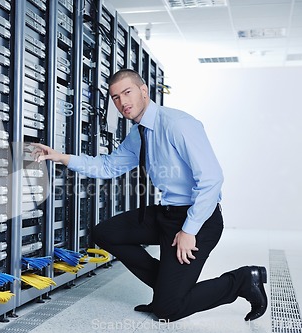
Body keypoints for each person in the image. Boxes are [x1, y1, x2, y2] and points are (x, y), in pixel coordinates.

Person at [31, 68, 267, 322]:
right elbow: (109, 166)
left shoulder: (178, 124)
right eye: (115, 98)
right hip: (166, 214)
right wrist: (61, 157)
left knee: (168, 310)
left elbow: (211, 179)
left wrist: (189, 230)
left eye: (127, 92)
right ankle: (167, 288)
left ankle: (243, 280)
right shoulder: (139, 133)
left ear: (144, 91)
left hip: (199, 220)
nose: (122, 102)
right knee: (105, 233)